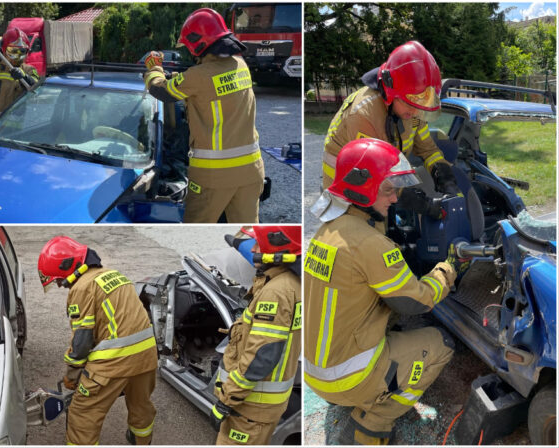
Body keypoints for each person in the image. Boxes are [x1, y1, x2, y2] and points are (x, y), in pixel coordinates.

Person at [305, 138, 467, 445]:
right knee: (441, 344)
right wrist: (448, 267)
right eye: (387, 189)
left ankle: (362, 392)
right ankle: (374, 422)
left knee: (388, 316)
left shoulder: (328, 231)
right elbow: (418, 301)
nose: (394, 199)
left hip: (317, 370)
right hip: (348, 376)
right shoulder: (370, 244)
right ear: (363, 189)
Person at [143, 8, 264, 223]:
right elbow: (208, 83)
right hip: (251, 172)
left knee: (196, 230)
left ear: (198, 44)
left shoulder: (198, 77)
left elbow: (161, 90)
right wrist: (180, 77)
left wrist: (155, 70)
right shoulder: (240, 65)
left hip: (213, 176)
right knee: (246, 229)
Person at [38, 236, 158, 445]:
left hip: (114, 360)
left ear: (67, 268)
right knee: (141, 406)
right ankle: (141, 441)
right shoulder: (114, 275)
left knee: (82, 413)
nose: (59, 285)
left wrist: (72, 376)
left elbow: (82, 341)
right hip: (146, 356)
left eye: (58, 279)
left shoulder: (82, 288)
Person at [321, 41, 461, 219]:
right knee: (367, 239)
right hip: (346, 192)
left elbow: (427, 149)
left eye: (420, 106)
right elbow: (374, 177)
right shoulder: (364, 115)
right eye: (409, 105)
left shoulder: (412, 107)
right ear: (389, 91)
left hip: (382, 189)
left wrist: (442, 172)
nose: (415, 112)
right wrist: (422, 204)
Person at [211, 226, 301, 445]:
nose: (252, 249)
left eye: (258, 244)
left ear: (277, 250)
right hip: (262, 406)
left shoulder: (276, 293)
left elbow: (261, 357)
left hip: (250, 407)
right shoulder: (289, 281)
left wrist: (227, 400)